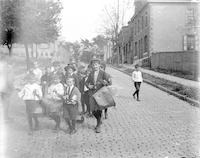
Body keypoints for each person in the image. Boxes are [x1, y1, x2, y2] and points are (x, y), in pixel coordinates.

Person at [86, 57, 111, 133]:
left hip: (100, 93)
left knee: (99, 109)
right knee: (93, 110)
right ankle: (99, 120)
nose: (95, 66)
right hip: (92, 93)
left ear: (99, 65)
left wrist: (105, 83)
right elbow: (86, 82)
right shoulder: (91, 73)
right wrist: (88, 86)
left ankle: (98, 125)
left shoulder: (103, 73)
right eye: (93, 65)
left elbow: (109, 82)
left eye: (96, 65)